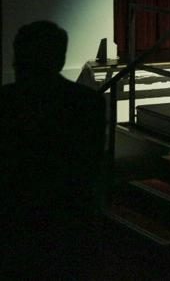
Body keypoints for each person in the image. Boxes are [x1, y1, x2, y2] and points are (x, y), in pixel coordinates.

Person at [1, 20, 106, 276]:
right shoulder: (88, 103)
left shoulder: (5, 103)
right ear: (59, 59)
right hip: (71, 223)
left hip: (14, 222)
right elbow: (91, 164)